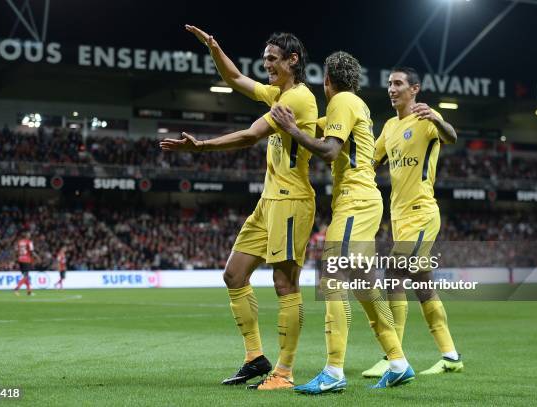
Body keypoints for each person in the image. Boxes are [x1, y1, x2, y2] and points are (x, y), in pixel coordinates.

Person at [160, 25, 318, 390]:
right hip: (269, 202)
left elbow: (250, 136)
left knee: (284, 283)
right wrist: (215, 47)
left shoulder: (298, 98)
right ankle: (254, 357)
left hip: (292, 200)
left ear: (293, 60)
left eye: (273, 59)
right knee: (234, 274)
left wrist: (201, 147)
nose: (266, 65)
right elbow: (233, 78)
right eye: (264, 60)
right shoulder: (278, 93)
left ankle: (284, 372)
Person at [270, 51, 414, 393]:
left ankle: (334, 371)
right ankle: (398, 361)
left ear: (327, 81)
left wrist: (291, 127)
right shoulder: (355, 103)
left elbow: (330, 150)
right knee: (365, 286)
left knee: (333, 275)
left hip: (356, 201)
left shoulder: (342, 102)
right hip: (364, 200)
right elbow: (317, 131)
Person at [363, 66, 463, 377]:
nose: (391, 89)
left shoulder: (425, 117)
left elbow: (452, 136)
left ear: (414, 89)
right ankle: (450, 356)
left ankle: (393, 356)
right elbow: (371, 161)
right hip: (400, 218)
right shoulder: (390, 127)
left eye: (398, 83)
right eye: (389, 83)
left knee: (393, 272)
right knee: (422, 285)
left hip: (422, 212)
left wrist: (438, 120)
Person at [14, 230, 36, 296]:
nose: (30, 236)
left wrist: (17, 258)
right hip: (26, 260)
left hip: (20, 259)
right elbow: (32, 251)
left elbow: (16, 250)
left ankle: (29, 291)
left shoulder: (19, 242)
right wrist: (36, 257)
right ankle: (17, 289)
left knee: (25, 277)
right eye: (29, 235)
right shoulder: (29, 242)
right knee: (25, 276)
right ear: (27, 236)